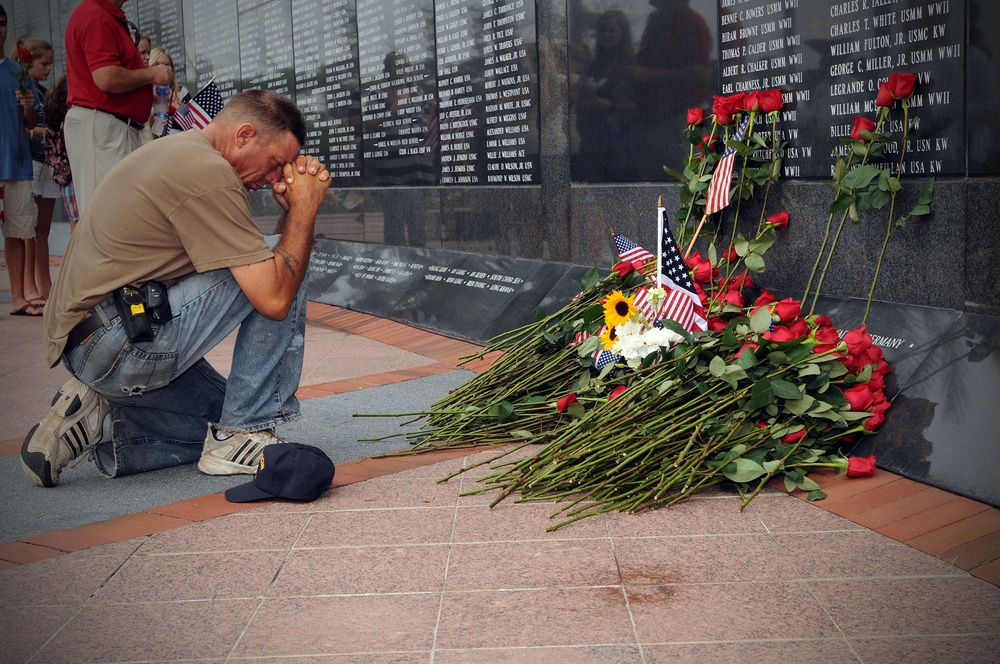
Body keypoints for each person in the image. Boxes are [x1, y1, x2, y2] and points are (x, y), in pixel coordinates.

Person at [22, 89, 331, 487]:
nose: (277, 178)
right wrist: (305, 210)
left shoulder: (182, 154)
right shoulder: (209, 174)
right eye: (276, 163)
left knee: (218, 414)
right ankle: (241, 434)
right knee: (290, 270)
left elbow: (259, 269)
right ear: (244, 135)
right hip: (118, 345)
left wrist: (292, 216)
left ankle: (96, 418)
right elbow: (274, 295)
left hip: (95, 345)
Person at [62, 0, 174, 215]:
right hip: (103, 125)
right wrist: (152, 74)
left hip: (112, 125)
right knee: (106, 217)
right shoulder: (96, 14)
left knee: (121, 217)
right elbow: (107, 77)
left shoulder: (105, 14)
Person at [1, 5, 43, 317]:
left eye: (2, 23)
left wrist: (29, 105)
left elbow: (30, 123)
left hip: (15, 163)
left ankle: (17, 297)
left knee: (18, 232)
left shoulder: (17, 73)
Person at [574, 10, 637, 182]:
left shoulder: (633, 66)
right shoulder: (593, 66)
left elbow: (642, 106)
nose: (606, 35)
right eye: (602, 31)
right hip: (591, 144)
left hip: (620, 147)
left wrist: (609, 104)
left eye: (611, 30)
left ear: (623, 33)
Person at [23, 38, 56, 305]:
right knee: (31, 229)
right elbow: (21, 129)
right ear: (28, 61)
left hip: (47, 162)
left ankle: (46, 284)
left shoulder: (44, 92)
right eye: (43, 63)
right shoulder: (22, 91)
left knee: (43, 228)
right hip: (31, 162)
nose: (47, 69)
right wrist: (40, 132)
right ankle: (31, 284)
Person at [42, 76, 81, 229]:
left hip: (67, 181)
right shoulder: (71, 122)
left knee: (76, 226)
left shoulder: (60, 123)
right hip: (74, 179)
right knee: (79, 227)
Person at [146, 47, 182, 139]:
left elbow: (192, 124)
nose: (162, 68)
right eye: (156, 64)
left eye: (166, 64)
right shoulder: (143, 94)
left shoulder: (182, 93)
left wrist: (175, 105)